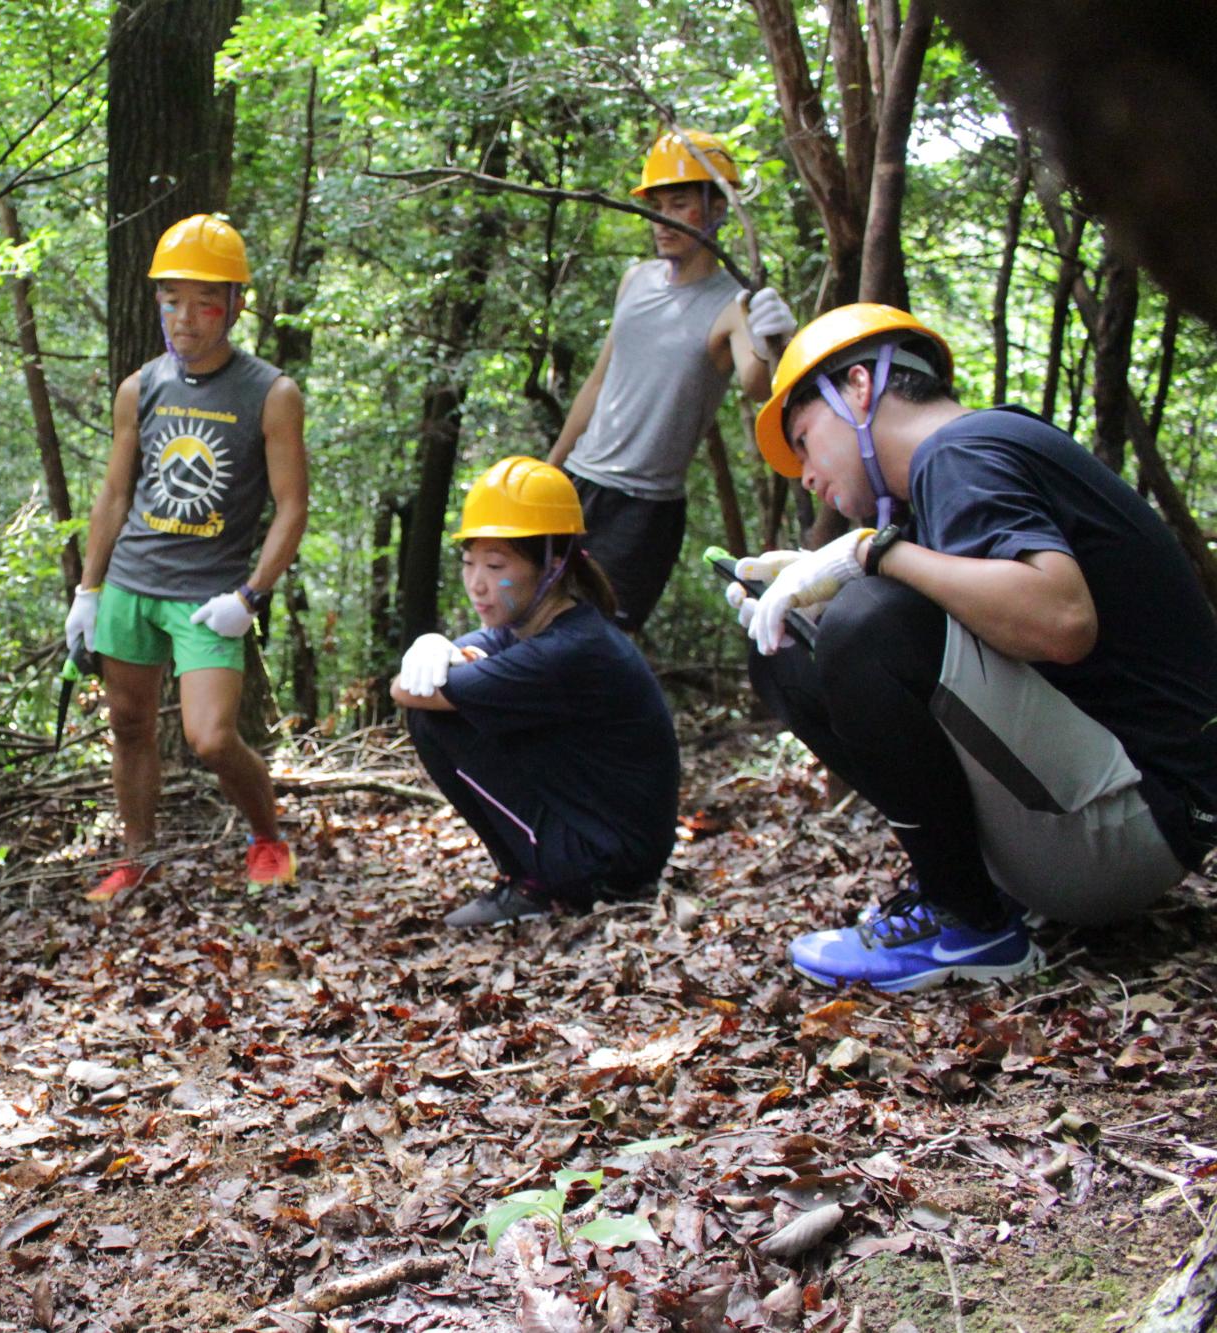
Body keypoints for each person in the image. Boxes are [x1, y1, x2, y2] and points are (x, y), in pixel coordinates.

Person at [730, 303, 1217, 991]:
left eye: (805, 440)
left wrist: (871, 553)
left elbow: (1062, 620)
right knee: (784, 643)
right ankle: (968, 893)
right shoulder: (971, 457)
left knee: (866, 617)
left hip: (1133, 823)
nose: (804, 475)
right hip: (1123, 817)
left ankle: (966, 921)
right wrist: (831, 581)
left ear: (861, 388)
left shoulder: (959, 452)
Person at [63, 214, 309, 902]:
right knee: (129, 724)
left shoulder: (271, 393)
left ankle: (267, 838)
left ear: (234, 305)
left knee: (209, 736)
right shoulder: (140, 387)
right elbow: (115, 492)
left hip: (208, 595)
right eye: (172, 300)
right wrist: (88, 590)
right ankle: (136, 857)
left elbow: (292, 507)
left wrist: (251, 595)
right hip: (132, 584)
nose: (186, 318)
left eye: (204, 302)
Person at [393, 457, 679, 927]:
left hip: (607, 864)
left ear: (553, 563)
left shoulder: (569, 650)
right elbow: (428, 674)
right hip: (607, 843)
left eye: (496, 564)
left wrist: (427, 660)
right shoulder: (530, 627)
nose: (477, 583)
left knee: (437, 716)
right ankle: (534, 877)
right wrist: (436, 645)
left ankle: (535, 884)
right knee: (448, 704)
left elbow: (412, 692)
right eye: (469, 563)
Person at [548, 128, 798, 633]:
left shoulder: (733, 305)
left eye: (678, 203)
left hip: (645, 510)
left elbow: (755, 382)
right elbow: (598, 383)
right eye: (655, 204)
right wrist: (551, 471)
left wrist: (778, 342)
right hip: (579, 482)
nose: (660, 219)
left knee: (598, 639)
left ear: (716, 207)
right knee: (535, 616)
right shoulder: (635, 280)